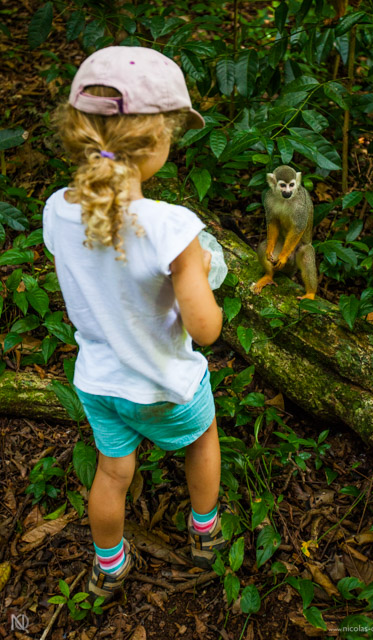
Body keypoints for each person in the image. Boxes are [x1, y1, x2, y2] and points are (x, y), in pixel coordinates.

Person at [42, 46, 226, 605]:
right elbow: (206, 328)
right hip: (165, 384)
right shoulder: (172, 228)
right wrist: (202, 274)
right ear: (156, 142)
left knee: (113, 472)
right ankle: (205, 532)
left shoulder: (56, 210)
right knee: (202, 441)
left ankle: (109, 564)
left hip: (99, 383)